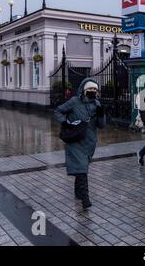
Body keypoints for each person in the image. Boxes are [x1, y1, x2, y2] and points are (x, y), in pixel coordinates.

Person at [54, 78, 106, 209]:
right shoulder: (74, 101)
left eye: (95, 90)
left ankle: (78, 192)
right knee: (82, 168)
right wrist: (65, 122)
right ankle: (85, 199)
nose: (92, 92)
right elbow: (58, 111)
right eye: (90, 90)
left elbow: (102, 125)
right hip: (75, 140)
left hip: (89, 143)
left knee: (81, 167)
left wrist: (101, 114)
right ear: (84, 90)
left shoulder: (97, 104)